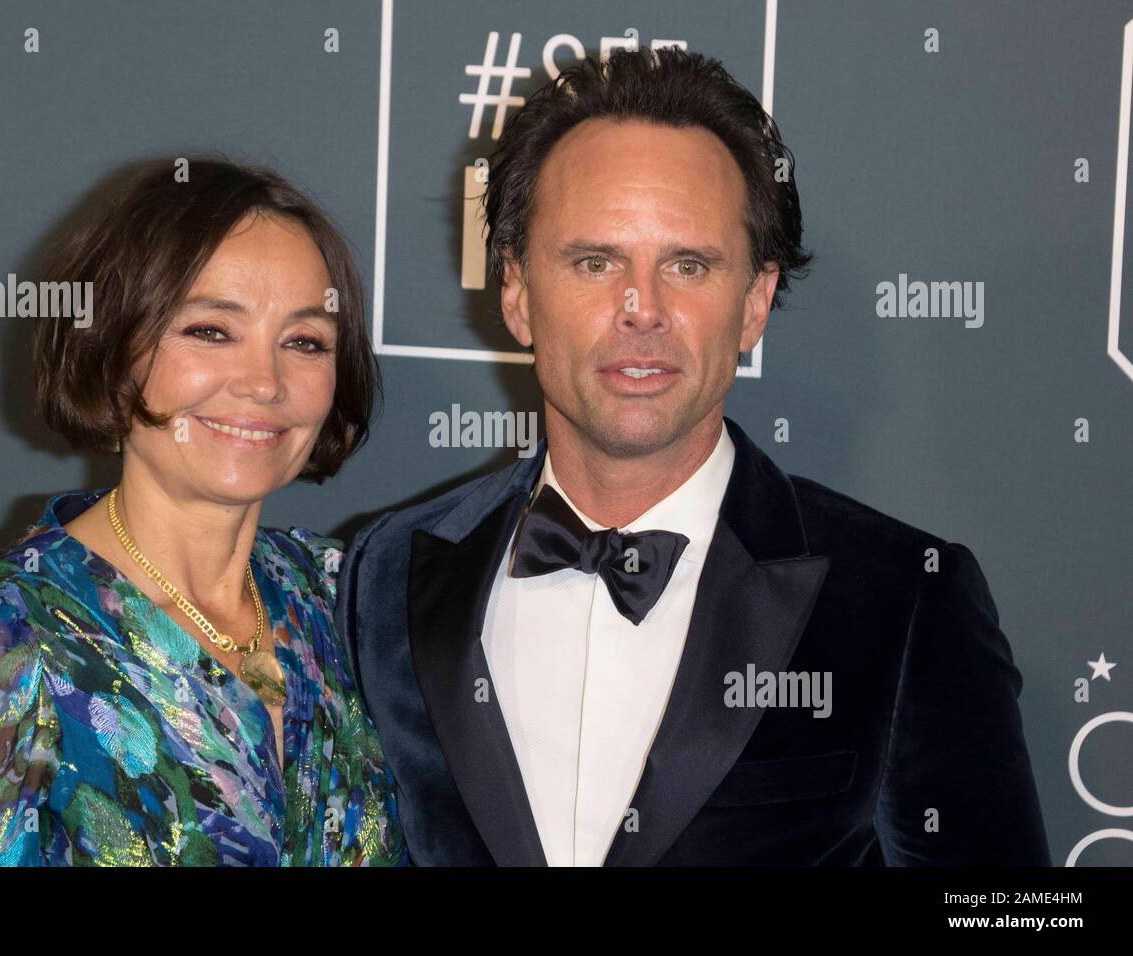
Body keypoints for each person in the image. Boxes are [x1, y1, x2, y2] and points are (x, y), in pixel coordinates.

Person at [336, 48, 1051, 866]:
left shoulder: (904, 595)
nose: (642, 310)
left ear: (752, 303)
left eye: (689, 264)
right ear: (516, 292)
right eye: (594, 262)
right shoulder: (388, 572)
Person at [0, 157, 405, 866]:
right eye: (210, 331)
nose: (264, 383)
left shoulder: (348, 600)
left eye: (305, 341)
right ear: (114, 347)